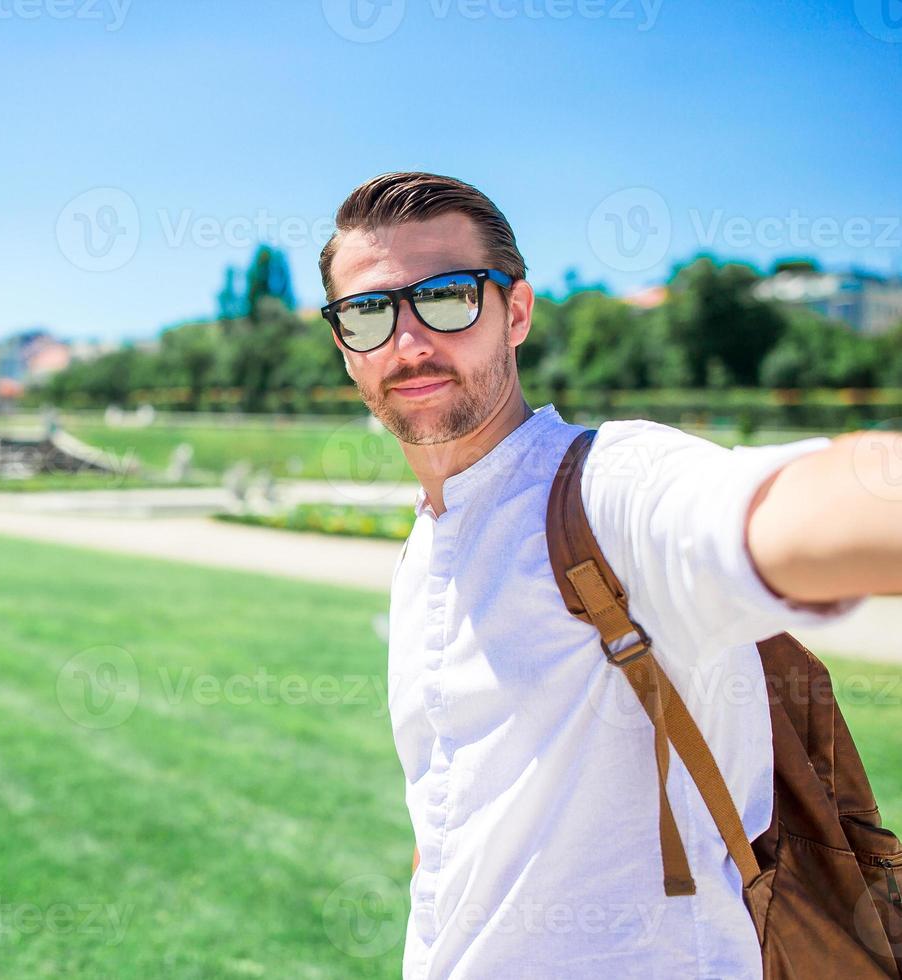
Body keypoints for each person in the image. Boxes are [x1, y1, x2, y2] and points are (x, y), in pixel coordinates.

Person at [317, 171, 902, 979]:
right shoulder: (424, 550)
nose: (408, 341)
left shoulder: (606, 487)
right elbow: (447, 820)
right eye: (369, 313)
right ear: (344, 343)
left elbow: (805, 506)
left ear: (515, 312)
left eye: (447, 297)